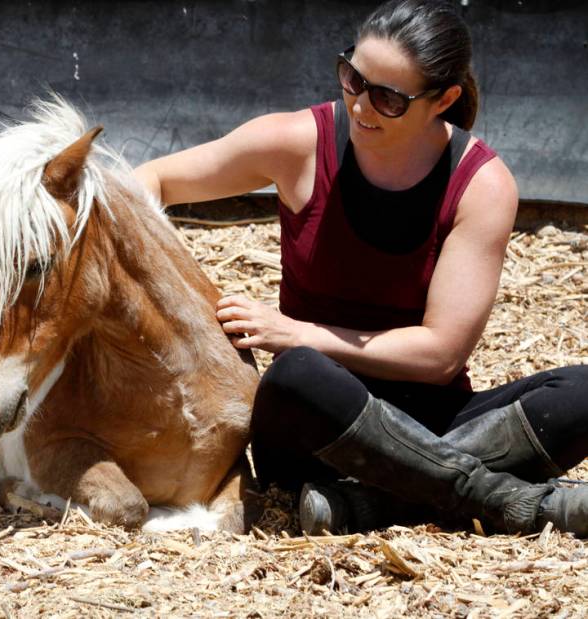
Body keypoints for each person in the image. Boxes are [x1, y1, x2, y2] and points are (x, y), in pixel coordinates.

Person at [134, 0, 588, 536]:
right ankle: (501, 499)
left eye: (389, 98)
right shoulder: (295, 142)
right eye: (353, 77)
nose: (360, 105)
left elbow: (441, 355)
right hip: (311, 427)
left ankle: (369, 504)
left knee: (581, 392)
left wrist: (298, 331)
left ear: (443, 99)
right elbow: (150, 180)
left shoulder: (482, 185)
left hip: (429, 420)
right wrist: (169, 287)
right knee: (298, 372)